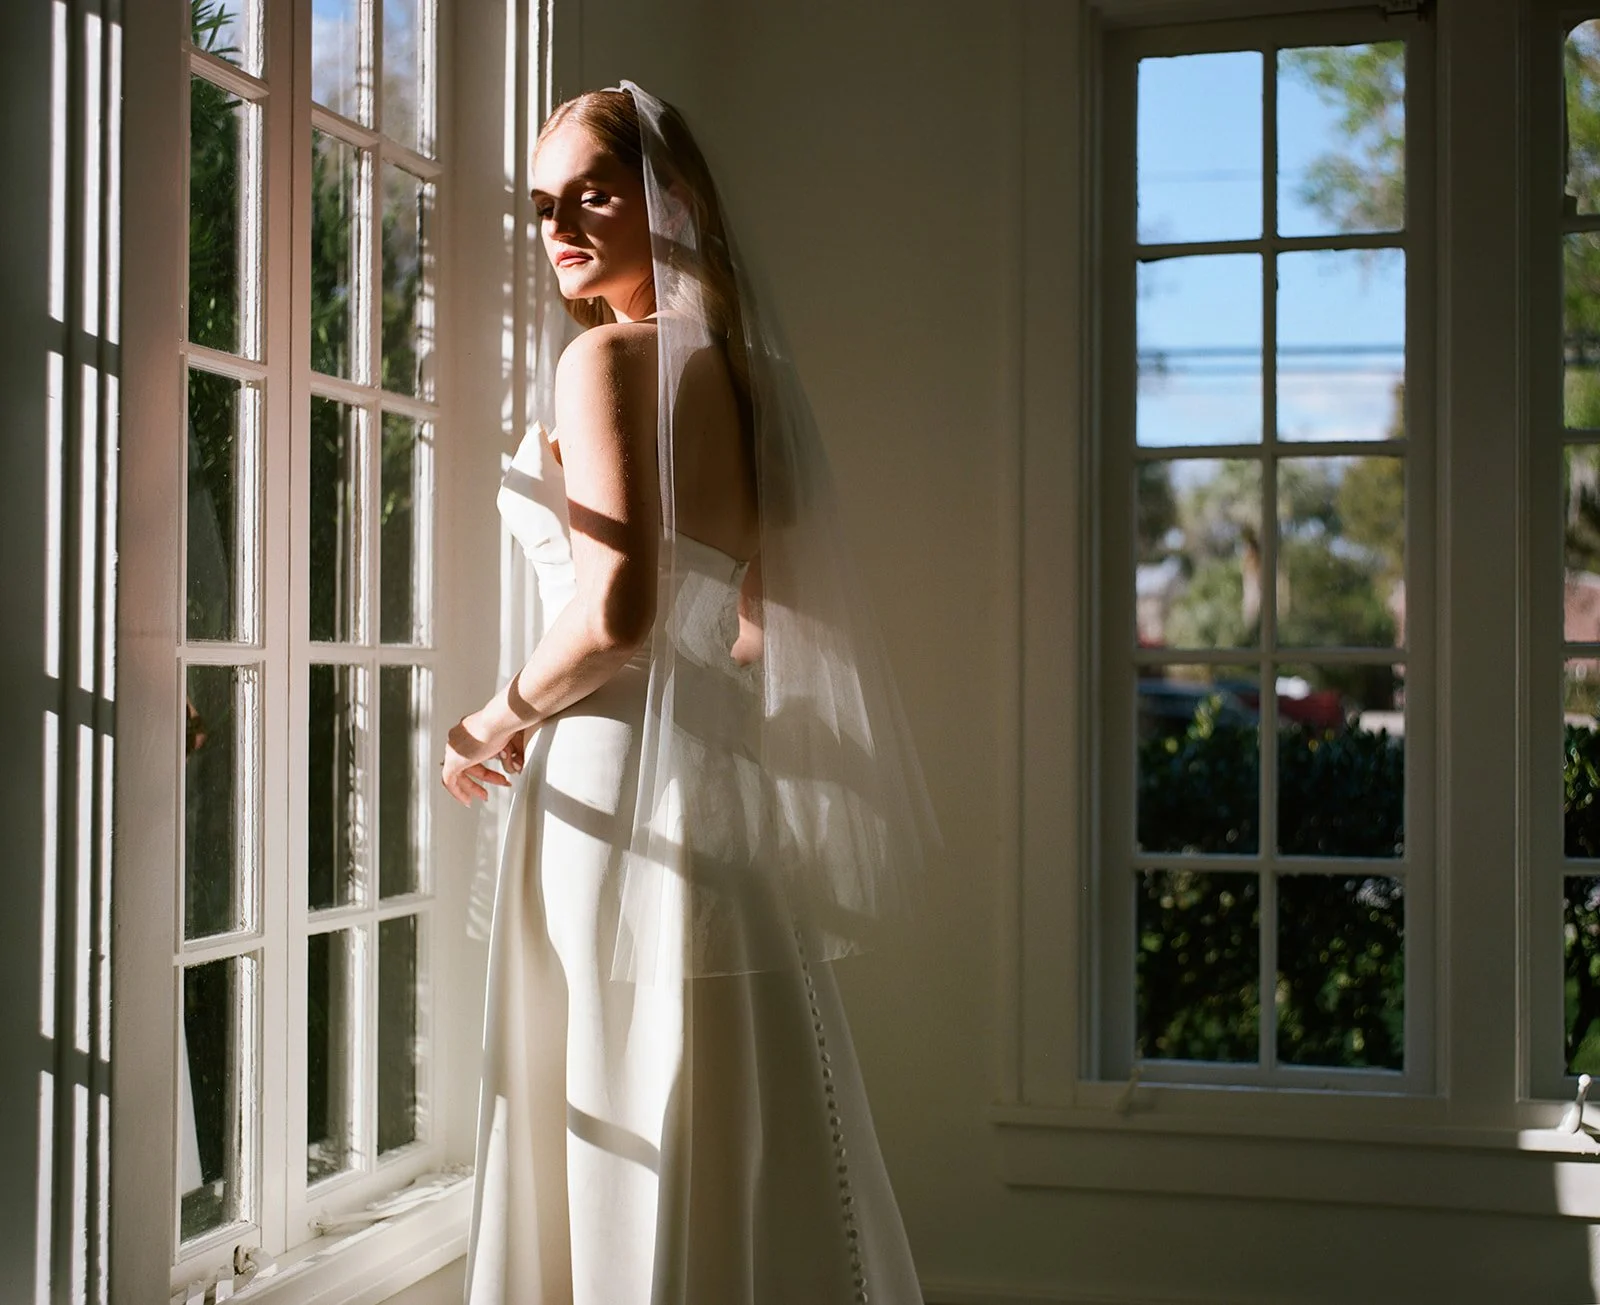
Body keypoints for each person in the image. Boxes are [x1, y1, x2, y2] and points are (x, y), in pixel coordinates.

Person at [441, 81, 937, 1305]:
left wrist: (487, 723)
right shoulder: (761, 378)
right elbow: (764, 627)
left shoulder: (604, 359)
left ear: (670, 200)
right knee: (723, 1087)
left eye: (590, 193)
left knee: (616, 1088)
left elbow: (616, 611)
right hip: (722, 779)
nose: (558, 224)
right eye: (541, 204)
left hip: (609, 774)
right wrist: (701, 700)